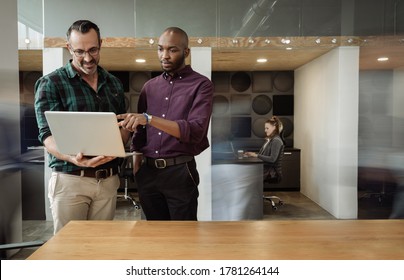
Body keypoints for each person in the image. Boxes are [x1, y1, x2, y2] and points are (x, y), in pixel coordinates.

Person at [34, 20, 131, 234]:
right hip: (71, 180)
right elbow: (46, 136)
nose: (87, 58)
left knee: (101, 249)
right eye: (79, 51)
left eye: (93, 50)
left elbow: (119, 135)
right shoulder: (51, 83)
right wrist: (72, 157)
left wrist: (129, 128)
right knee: (70, 253)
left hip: (108, 181)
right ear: (69, 47)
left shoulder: (114, 83)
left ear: (101, 44)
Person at [117, 27, 214, 221]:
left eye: (172, 50)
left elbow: (195, 131)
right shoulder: (149, 87)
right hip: (148, 173)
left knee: (183, 239)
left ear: (186, 52)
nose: (165, 55)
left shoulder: (201, 85)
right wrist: (138, 168)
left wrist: (150, 118)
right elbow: (139, 133)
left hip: (180, 172)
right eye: (160, 49)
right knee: (154, 238)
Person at [245, 116, 284, 183]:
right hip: (265, 169)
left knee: (247, 177)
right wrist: (252, 155)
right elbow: (262, 155)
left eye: (267, 128)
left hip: (271, 172)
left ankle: (254, 193)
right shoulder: (270, 140)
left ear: (274, 128)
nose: (265, 130)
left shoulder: (276, 141)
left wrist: (256, 155)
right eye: (265, 128)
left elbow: (272, 159)